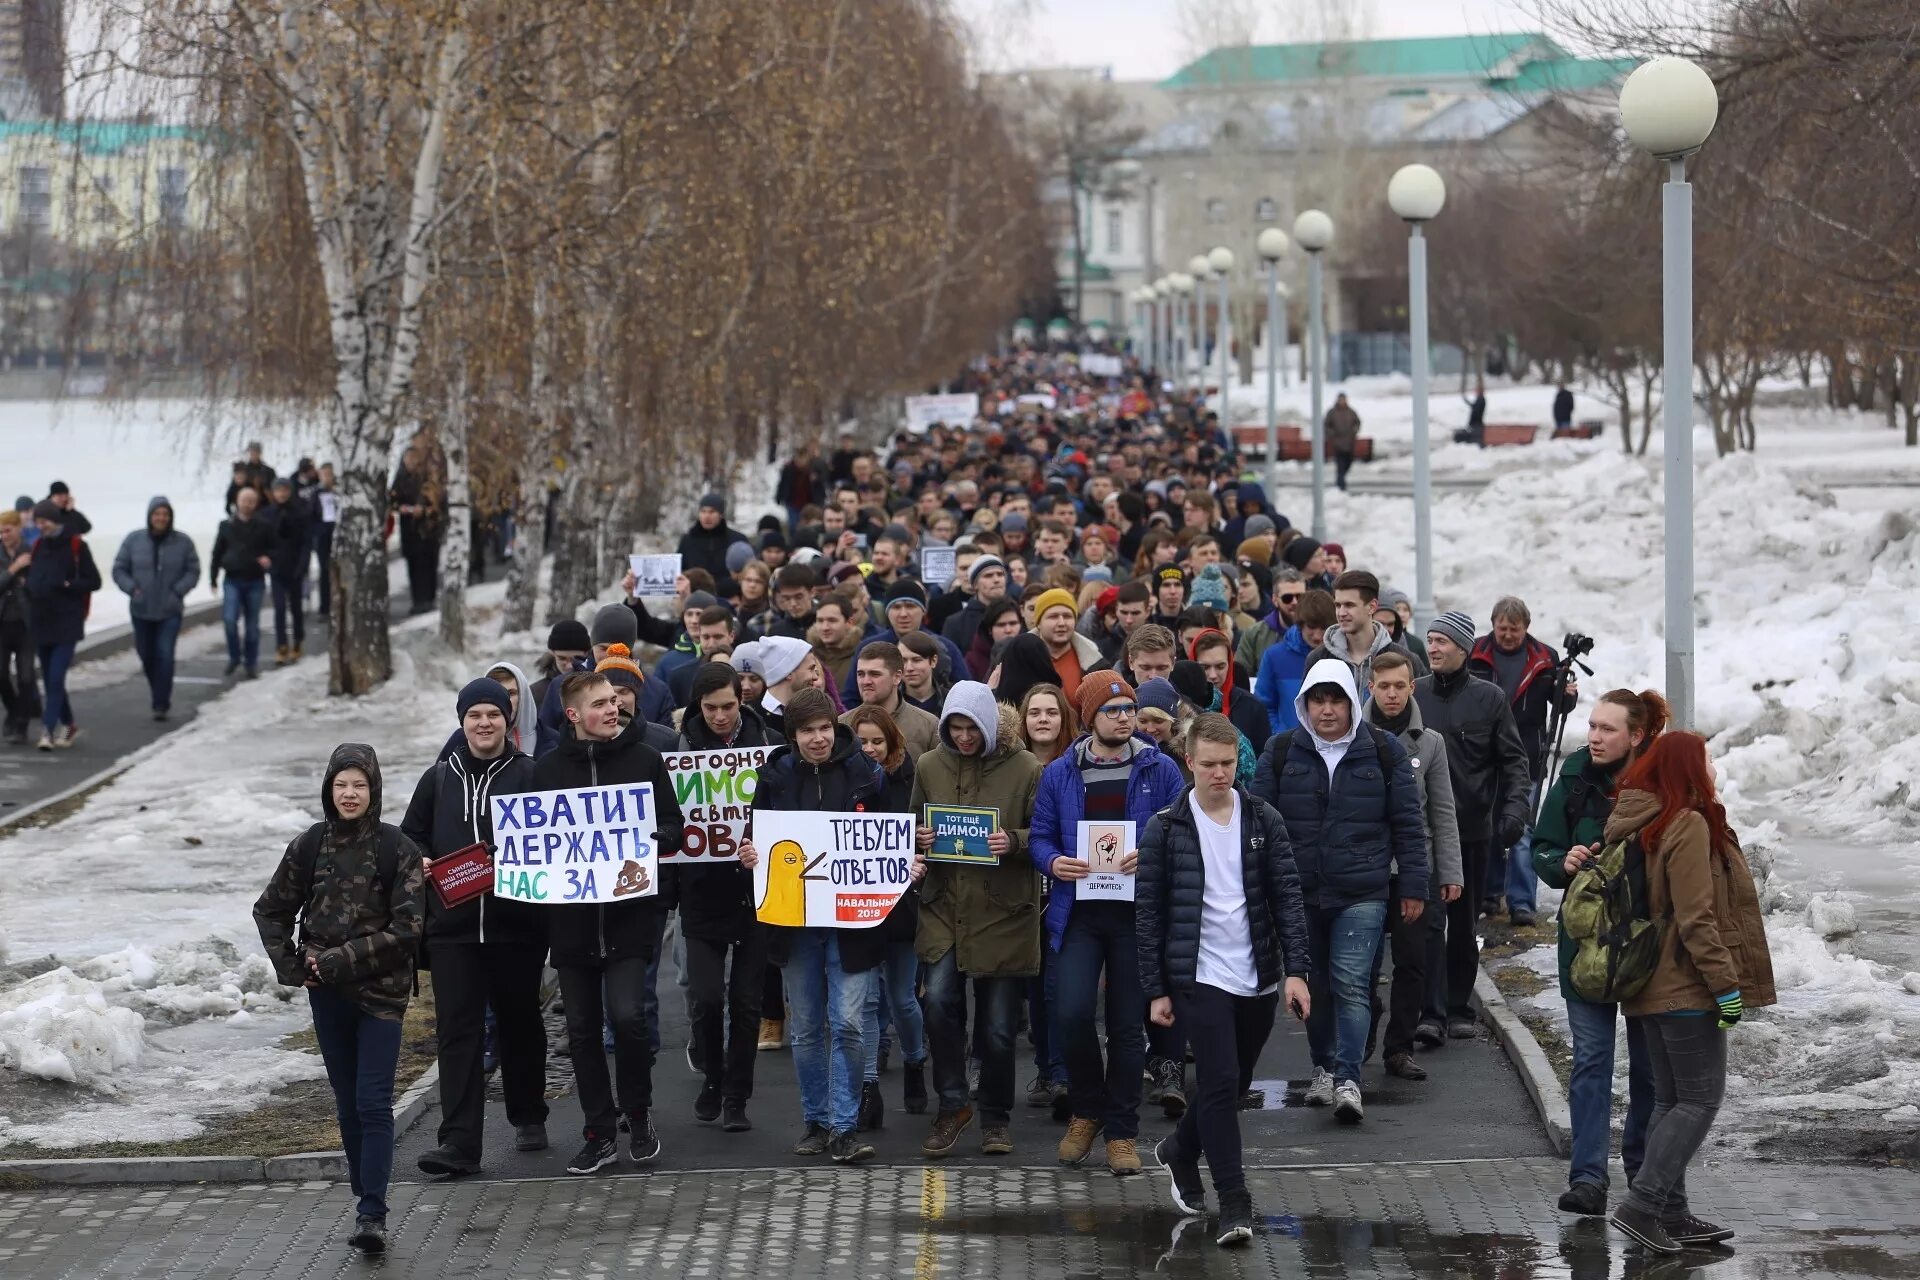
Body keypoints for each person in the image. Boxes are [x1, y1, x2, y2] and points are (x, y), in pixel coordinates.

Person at [1137, 713, 1310, 1247]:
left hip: (1256, 971)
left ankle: (1180, 1150)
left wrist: (1297, 971)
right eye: (1208, 765)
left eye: (1228, 764)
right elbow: (1149, 915)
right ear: (1188, 762)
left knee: (1230, 1088)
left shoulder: (1263, 819)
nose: (1219, 774)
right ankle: (1235, 1201)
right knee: (1215, 1082)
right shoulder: (1166, 827)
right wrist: (1156, 989)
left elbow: (1287, 896)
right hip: (1198, 973)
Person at [1604, 732, 1775, 1255]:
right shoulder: (1688, 824)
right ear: (1688, 769)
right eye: (1705, 758)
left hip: (1649, 981)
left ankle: (1672, 1214)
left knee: (1672, 1100)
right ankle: (1642, 1206)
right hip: (1685, 986)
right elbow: (1698, 919)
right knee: (1700, 1099)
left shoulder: (1646, 821)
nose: (1713, 766)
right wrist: (1726, 987)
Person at [253, 743, 424, 1256]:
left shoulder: (399, 849)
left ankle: (372, 1212)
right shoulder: (310, 845)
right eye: (341, 785)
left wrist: (341, 958)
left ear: (374, 791)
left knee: (373, 1103)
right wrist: (292, 965)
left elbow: (409, 929)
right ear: (329, 790)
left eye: (360, 785)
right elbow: (270, 910)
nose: (350, 794)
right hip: (327, 996)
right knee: (348, 1106)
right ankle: (364, 1193)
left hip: (382, 997)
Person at [1253, 659, 1426, 1124]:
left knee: (1352, 983)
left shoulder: (1384, 751)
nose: (1327, 710)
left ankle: (1349, 1077)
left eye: (1336, 700)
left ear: (1351, 702)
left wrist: (1413, 884)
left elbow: (1410, 825)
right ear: (1304, 703)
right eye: (1317, 700)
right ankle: (1322, 1068)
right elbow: (1258, 822)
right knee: (1315, 987)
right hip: (1299, 892)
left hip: (1362, 890)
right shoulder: (1283, 749)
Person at [1029, 675, 1185, 1176]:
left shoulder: (1160, 769)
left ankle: (1121, 1131)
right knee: (1071, 1014)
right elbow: (1040, 837)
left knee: (1124, 1027)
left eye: (1129, 709)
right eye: (1113, 710)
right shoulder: (1058, 773)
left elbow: (1181, 831)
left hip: (1135, 917)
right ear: (1090, 716)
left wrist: (1152, 856)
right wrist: (1054, 863)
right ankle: (1086, 1110)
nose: (1124, 717)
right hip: (1078, 913)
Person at [532, 672, 686, 1176]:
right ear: (574, 715)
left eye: (615, 701)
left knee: (628, 1017)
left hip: (628, 918)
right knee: (580, 1031)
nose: (613, 709)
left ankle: (637, 1115)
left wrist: (656, 832)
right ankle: (597, 1131)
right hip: (573, 925)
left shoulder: (643, 761)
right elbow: (530, 839)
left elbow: (674, 828)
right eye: (600, 704)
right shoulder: (548, 771)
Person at [401, 678, 548, 1177]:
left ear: (508, 719)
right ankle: (459, 1144)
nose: (484, 723)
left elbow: (554, 837)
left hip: (516, 926)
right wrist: (419, 859)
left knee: (520, 1023)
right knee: (456, 1033)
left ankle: (528, 1114)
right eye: (473, 716)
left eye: (493, 714)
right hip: (452, 929)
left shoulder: (533, 774)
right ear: (461, 722)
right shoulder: (439, 778)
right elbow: (411, 835)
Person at [740, 687, 891, 1164]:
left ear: (835, 727)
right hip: (796, 920)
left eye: (825, 728)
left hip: (851, 921)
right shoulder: (775, 777)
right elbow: (755, 834)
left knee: (847, 1021)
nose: (819, 738)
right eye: (808, 731)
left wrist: (901, 861)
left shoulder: (867, 773)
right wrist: (750, 855)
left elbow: (890, 833)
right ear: (793, 736)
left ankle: (845, 1126)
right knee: (806, 1026)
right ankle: (817, 1121)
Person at [1534, 688, 1667, 1218]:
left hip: (1644, 948)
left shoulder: (1659, 784)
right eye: (1591, 725)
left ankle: (1643, 1173)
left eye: (1607, 729)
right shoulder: (1573, 776)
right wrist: (1560, 861)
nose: (1593, 736)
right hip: (1586, 947)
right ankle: (1588, 1177)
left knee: (1649, 1069)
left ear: (1636, 735)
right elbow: (1540, 848)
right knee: (1591, 1061)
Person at [912, 681, 1043, 1158]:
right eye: (955, 727)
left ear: (989, 725)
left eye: (972, 728)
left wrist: (1015, 841)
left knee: (999, 1027)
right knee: (939, 1002)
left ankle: (995, 1116)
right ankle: (952, 1104)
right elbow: (910, 829)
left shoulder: (1027, 767)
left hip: (1004, 912)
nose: (964, 737)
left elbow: (1047, 834)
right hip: (945, 906)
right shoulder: (929, 765)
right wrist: (920, 841)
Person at [1413, 610, 1530, 1043]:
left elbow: (1514, 762)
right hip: (1422, 834)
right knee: (1426, 924)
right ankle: (1430, 1011)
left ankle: (1459, 1005)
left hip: (1472, 830)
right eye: (1430, 640)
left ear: (1463, 648)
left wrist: (1513, 812)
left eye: (1442, 641)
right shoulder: (1415, 695)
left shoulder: (1490, 699)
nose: (1433, 648)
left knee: (1463, 925)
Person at [675, 661, 778, 1134]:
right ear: (698, 705)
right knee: (705, 997)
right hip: (701, 891)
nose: (720, 716)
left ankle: (737, 1096)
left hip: (757, 889)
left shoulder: (769, 744)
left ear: (743, 700)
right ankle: (713, 1079)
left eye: (729, 707)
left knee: (747, 1002)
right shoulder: (676, 749)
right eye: (710, 708)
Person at [1362, 651, 1462, 1080]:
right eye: (1383, 686)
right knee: (1360, 963)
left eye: (1399, 686)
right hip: (1364, 866)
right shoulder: (1353, 735)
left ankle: (1398, 1048)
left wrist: (1451, 872)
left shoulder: (1431, 742)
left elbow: (1442, 812)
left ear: (1411, 687)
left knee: (1412, 961)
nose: (1391, 694)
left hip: (1414, 869)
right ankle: (1361, 1029)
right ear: (1370, 688)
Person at [1468, 597, 1578, 927]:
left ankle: (1521, 902)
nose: (1507, 635)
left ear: (1525, 628)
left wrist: (1567, 695)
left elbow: (1558, 709)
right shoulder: (1475, 654)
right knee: (1485, 826)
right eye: (1502, 628)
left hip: (1527, 755)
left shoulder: (1544, 658)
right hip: (1482, 755)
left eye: (1514, 629)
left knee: (1522, 830)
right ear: (1493, 625)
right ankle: (1489, 893)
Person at [844, 703, 930, 1129]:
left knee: (901, 997)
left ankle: (915, 1060)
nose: (870, 749)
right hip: (860, 906)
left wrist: (922, 845)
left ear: (893, 742)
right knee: (869, 1002)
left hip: (903, 906)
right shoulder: (848, 781)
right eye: (862, 741)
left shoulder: (912, 779)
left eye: (877, 741)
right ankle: (870, 1088)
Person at [111, 496, 200, 722]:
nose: (161, 518)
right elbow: (119, 569)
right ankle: (157, 691)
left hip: (170, 609)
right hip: (141, 608)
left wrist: (178, 591)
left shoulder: (183, 542)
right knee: (147, 655)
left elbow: (193, 570)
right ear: (150, 516)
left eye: (165, 514)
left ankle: (161, 702)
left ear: (170, 517)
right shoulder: (134, 540)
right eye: (157, 514)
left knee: (165, 655)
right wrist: (132, 589)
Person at [25, 500, 101, 749]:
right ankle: (69, 724)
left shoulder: (76, 545)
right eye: (37, 522)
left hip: (68, 622)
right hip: (42, 621)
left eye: (44, 521)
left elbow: (94, 581)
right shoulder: (38, 546)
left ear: (55, 521)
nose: (40, 526)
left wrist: (69, 585)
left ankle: (47, 730)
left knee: (56, 677)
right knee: (49, 679)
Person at [1308, 570, 1427, 691]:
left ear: (1372, 607)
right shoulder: (1318, 659)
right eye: (1338, 605)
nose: (1341, 613)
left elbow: (1421, 707)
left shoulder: (1406, 660)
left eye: (1349, 605)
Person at [211, 487, 274, 680]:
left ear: (256, 504)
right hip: (232, 579)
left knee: (252, 626)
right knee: (230, 620)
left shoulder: (263, 525)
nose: (247, 504)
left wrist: (268, 558)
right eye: (244, 500)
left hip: (254, 580)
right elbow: (217, 552)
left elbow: (275, 548)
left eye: (251, 501)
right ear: (237, 502)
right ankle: (234, 656)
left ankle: (251, 663)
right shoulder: (226, 525)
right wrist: (212, 578)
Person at [845, 641, 940, 761]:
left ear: (897, 677)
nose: (866, 681)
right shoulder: (843, 726)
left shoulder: (928, 726)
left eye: (875, 674)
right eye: (861, 674)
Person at [1255, 589, 1334, 734]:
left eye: (1323, 628)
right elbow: (1263, 706)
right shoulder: (1274, 656)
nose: (1317, 636)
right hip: (1288, 747)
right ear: (1300, 624)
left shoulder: (1341, 657)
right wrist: (1280, 736)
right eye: (1311, 627)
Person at [390, 442, 445, 614]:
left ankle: (429, 598)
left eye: (414, 458)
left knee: (430, 564)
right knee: (414, 566)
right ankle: (418, 600)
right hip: (410, 529)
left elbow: (439, 501)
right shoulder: (399, 480)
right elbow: (394, 504)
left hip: (429, 529)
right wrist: (409, 509)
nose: (411, 462)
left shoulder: (427, 479)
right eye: (408, 459)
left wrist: (428, 510)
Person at [1189, 628, 1269, 748]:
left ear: (1230, 664)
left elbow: (1263, 759)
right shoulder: (1180, 705)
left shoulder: (1253, 707)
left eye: (1220, 666)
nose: (1213, 675)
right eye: (1204, 667)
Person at [263, 475, 314, 665]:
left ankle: (298, 640)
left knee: (296, 608)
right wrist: (266, 559)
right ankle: (281, 645)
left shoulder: (300, 513)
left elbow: (306, 543)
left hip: (295, 567)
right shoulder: (267, 514)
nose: (282, 494)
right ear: (273, 493)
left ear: (290, 492)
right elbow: (264, 541)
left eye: (285, 490)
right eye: (278, 490)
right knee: (279, 608)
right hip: (276, 568)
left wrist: (303, 565)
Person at [0, 511, 37, 744]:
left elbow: (42, 585)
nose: (4, 535)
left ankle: (22, 724)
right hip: (2, 623)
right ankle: (12, 711)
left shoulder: (32, 551)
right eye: (1, 531)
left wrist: (28, 581)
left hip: (26, 624)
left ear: (18, 529)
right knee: (0, 674)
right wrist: (14, 570)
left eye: (8, 530)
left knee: (25, 676)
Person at [679, 492, 745, 583]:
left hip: (728, 594)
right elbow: (679, 571)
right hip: (695, 594)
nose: (707, 516)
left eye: (712, 512)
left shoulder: (736, 540)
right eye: (703, 511)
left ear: (721, 514)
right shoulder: (688, 541)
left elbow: (746, 573)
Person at [1018, 684, 1078, 768]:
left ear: (1064, 719)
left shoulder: (1079, 762)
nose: (1043, 719)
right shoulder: (1011, 766)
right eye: (1034, 713)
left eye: (1052, 713)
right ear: (1024, 719)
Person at [311, 463, 340, 614]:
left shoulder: (340, 491)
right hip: (323, 536)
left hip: (339, 534)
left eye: (329, 474)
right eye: (324, 475)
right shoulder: (316, 493)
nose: (327, 478)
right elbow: (311, 516)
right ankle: (325, 606)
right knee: (325, 571)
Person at [1324, 393, 1361, 491]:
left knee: (1348, 463)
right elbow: (1326, 425)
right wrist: (1332, 434)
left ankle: (1341, 479)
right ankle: (1341, 484)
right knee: (1340, 465)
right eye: (1340, 400)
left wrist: (1354, 431)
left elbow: (1357, 422)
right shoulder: (1332, 412)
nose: (1342, 402)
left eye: (1343, 400)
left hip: (1349, 442)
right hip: (1338, 443)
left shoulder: (1350, 412)